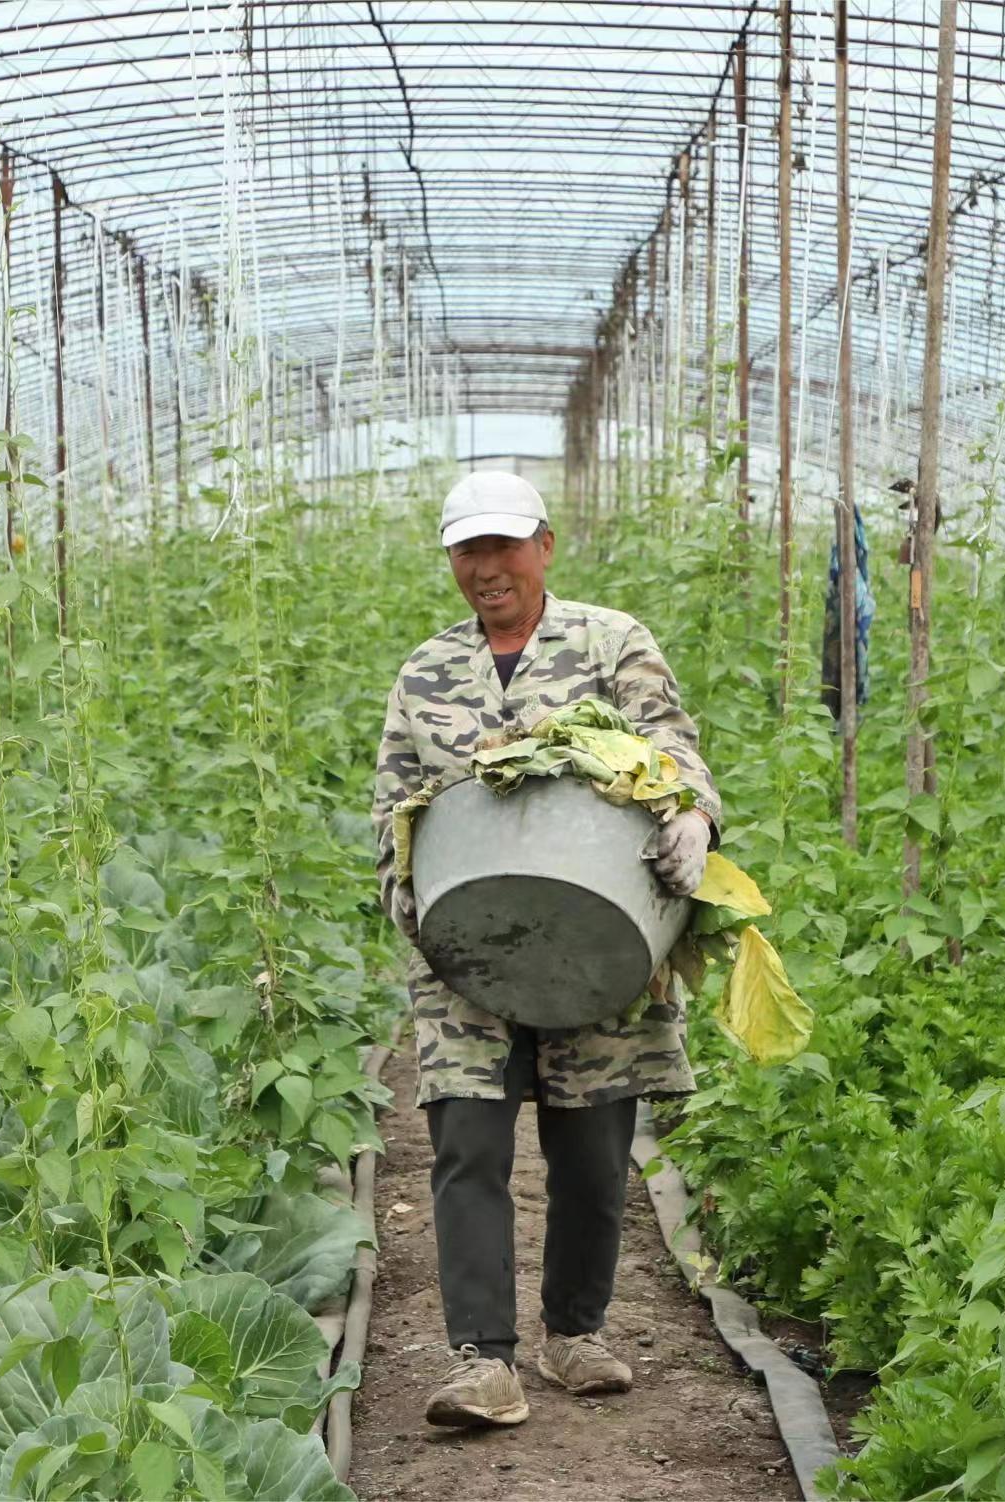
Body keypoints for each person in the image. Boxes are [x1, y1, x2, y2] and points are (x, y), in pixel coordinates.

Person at [370, 470, 721, 1430]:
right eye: (467, 552)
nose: (487, 570)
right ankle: (482, 1359)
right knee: (467, 1142)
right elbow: (392, 804)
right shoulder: (425, 673)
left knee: (594, 1144)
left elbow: (678, 754)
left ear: (545, 546)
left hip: (598, 931)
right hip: (466, 950)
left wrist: (692, 819)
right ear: (450, 559)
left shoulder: (612, 643)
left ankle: (576, 1333)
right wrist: (412, 901)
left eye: (504, 548)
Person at [821, 502, 874, 720]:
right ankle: (839, 711)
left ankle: (846, 710)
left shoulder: (851, 558)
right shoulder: (843, 551)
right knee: (838, 659)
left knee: (850, 659)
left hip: (851, 616)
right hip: (843, 616)